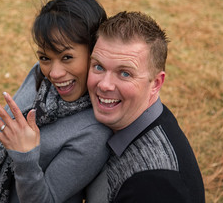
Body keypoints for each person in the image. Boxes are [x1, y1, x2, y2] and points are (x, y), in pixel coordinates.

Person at [0, 0, 112, 203]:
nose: (54, 73)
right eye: (45, 57)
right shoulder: (39, 76)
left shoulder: (94, 133)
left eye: (67, 57)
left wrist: (25, 157)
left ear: (93, 52)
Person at [85, 11, 205, 203]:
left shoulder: (154, 186)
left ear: (156, 83)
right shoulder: (131, 116)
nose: (104, 85)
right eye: (98, 67)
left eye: (124, 73)